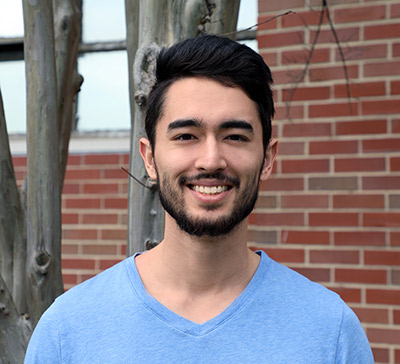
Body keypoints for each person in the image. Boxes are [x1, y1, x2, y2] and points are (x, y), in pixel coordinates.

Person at [24, 35, 374, 363]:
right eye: (187, 135)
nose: (210, 160)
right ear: (149, 158)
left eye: (235, 136)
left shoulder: (331, 333)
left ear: (267, 158)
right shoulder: (67, 332)